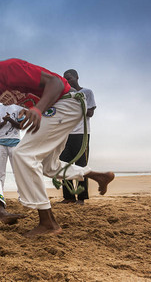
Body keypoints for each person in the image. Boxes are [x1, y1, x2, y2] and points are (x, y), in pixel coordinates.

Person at [0, 57, 114, 237]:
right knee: (48, 166)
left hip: (67, 102)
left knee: (23, 154)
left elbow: (56, 83)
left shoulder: (6, 69)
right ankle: (99, 176)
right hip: (53, 110)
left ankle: (48, 223)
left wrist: (37, 109)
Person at [59, 69, 96, 205]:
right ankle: (68, 197)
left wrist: (78, 103)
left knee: (81, 166)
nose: (68, 82)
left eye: (70, 79)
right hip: (65, 135)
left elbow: (90, 113)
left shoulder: (86, 92)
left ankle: (81, 198)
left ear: (77, 77)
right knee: (63, 165)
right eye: (65, 80)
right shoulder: (64, 96)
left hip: (81, 134)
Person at [0, 103, 24, 190]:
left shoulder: (18, 107)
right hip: (0, 142)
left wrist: (9, 119)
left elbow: (21, 126)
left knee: (18, 171)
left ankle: (22, 196)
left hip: (15, 142)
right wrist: (5, 121)